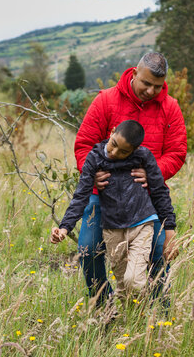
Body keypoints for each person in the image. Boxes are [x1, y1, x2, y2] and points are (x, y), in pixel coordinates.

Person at [73, 52, 187, 303]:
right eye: (146, 83)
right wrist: (93, 174)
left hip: (145, 197)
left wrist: (153, 171)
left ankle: (160, 315)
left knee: (158, 252)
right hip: (102, 195)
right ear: (134, 73)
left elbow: (177, 152)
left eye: (158, 86)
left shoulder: (170, 107)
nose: (151, 91)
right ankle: (104, 307)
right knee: (88, 250)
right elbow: (83, 146)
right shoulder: (105, 101)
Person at [51, 120, 176, 301]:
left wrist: (169, 230)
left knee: (134, 280)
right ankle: (129, 322)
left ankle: (156, 308)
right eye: (114, 145)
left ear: (134, 150)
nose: (115, 153)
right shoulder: (94, 158)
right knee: (124, 287)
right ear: (112, 132)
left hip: (142, 225)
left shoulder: (143, 157)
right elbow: (81, 195)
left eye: (124, 152)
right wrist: (64, 228)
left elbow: (160, 192)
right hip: (112, 231)